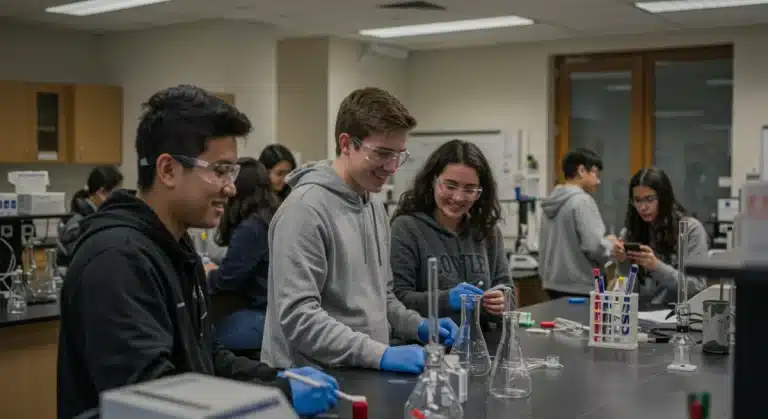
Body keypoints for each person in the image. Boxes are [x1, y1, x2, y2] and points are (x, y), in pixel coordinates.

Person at [57, 85, 338, 419]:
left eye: (231, 172)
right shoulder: (117, 260)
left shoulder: (175, 243)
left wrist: (278, 377)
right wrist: (281, 395)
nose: (231, 187)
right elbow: (153, 396)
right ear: (168, 170)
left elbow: (207, 356)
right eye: (219, 170)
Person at [262, 87, 458, 373]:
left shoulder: (374, 205)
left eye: (399, 155)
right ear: (346, 143)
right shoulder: (303, 211)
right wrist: (380, 355)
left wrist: (418, 325)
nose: (391, 167)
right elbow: (299, 318)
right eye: (381, 153)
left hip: (360, 370)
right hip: (313, 382)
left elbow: (383, 297)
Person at [390, 139, 512, 330]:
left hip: (479, 345)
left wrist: (501, 303)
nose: (458, 197)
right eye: (450, 185)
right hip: (427, 347)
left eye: (470, 189)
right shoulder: (406, 228)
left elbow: (507, 291)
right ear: (433, 181)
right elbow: (397, 300)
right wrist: (447, 300)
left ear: (480, 192)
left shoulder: (488, 232)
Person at [208, 157, 278, 355]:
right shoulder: (271, 218)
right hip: (275, 315)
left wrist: (207, 273)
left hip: (261, 317)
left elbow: (227, 281)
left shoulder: (251, 227)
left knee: (203, 340)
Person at [612, 167, 709, 308]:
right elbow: (626, 293)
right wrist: (623, 263)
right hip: (640, 315)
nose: (643, 207)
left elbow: (697, 288)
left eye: (650, 199)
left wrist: (656, 266)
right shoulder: (629, 232)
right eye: (637, 200)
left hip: (677, 317)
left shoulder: (690, 229)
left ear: (663, 198)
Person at [539, 148, 617, 299]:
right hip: (581, 286)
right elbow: (594, 248)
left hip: (552, 285)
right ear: (581, 170)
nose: (598, 181)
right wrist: (611, 244)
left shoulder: (550, 201)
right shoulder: (582, 201)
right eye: (595, 173)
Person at [57, 165, 123, 265]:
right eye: (116, 194)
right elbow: (76, 259)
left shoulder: (96, 216)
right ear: (101, 192)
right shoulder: (77, 222)